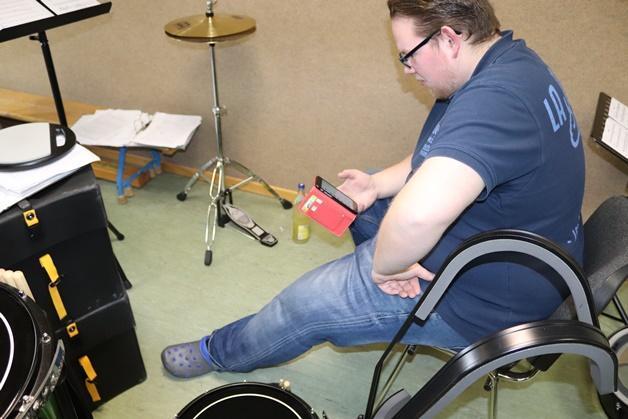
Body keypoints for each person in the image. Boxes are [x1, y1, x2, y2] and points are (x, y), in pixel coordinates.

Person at [161, 0, 585, 378]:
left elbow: (417, 217)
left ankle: (221, 351)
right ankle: (380, 289)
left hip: (486, 299)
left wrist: (384, 267)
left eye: (408, 55)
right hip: (515, 254)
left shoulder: (496, 101)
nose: (407, 69)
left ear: (449, 39)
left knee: (306, 303)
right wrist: (376, 184)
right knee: (360, 197)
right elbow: (442, 150)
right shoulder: (509, 61)